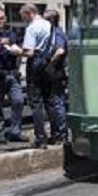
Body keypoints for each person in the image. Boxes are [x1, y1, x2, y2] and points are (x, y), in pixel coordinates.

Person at [17, 3, 60, 149]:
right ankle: (56, 134)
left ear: (29, 13)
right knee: (50, 101)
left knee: (36, 104)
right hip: (48, 65)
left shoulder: (32, 28)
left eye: (23, 16)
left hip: (35, 66)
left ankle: (40, 137)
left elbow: (29, 52)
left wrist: (17, 51)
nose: (23, 20)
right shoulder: (50, 26)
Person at [0, 10, 27, 143]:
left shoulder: (14, 33)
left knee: (18, 101)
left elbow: (22, 49)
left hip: (12, 73)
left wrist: (17, 51)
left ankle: (15, 131)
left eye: (2, 18)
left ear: (6, 19)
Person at [44, 9, 68, 144]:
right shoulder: (54, 33)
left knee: (57, 103)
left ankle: (60, 134)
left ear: (51, 21)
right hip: (56, 73)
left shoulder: (57, 33)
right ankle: (57, 133)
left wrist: (49, 64)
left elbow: (60, 51)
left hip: (56, 73)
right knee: (54, 103)